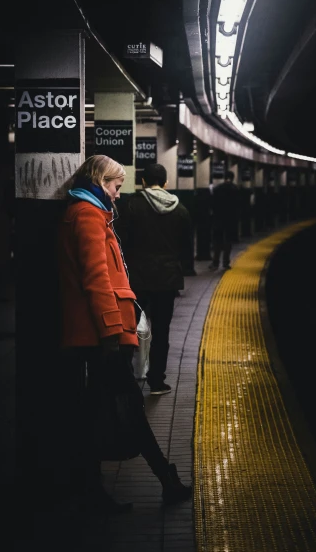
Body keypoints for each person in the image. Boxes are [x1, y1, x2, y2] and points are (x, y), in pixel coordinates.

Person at [57, 154, 191, 512]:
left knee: (105, 409)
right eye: (116, 185)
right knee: (126, 406)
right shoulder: (87, 215)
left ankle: (97, 488)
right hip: (102, 334)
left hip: (101, 332)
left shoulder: (94, 213)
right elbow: (96, 278)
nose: (119, 193)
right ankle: (165, 479)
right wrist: (111, 332)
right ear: (101, 180)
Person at [116, 163, 193, 396]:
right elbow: (185, 246)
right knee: (162, 331)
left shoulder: (130, 205)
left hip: (136, 278)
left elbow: (121, 241)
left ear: (142, 182)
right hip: (167, 279)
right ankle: (157, 382)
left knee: (129, 327)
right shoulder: (181, 210)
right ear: (166, 183)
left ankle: (126, 379)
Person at [209, 170, 239, 270]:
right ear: (233, 178)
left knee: (217, 241)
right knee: (228, 241)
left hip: (218, 218)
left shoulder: (217, 189)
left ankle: (215, 263)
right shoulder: (235, 189)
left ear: (224, 177)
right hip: (231, 219)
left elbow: (212, 204)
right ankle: (226, 263)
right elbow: (238, 206)